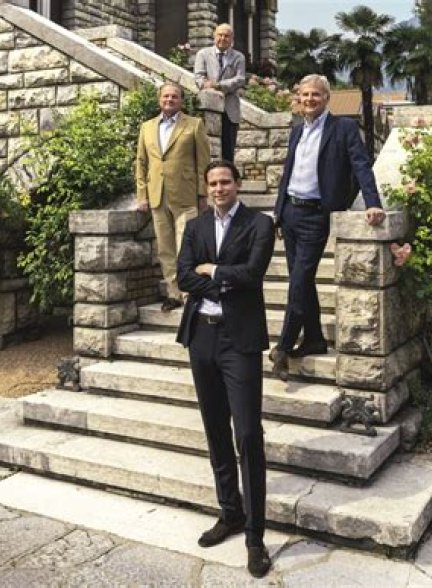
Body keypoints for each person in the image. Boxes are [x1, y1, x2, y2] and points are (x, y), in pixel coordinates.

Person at [176, 160, 275, 578]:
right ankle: (230, 512)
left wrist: (213, 270)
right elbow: (184, 277)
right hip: (202, 337)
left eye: (226, 182)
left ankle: (255, 538)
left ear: (237, 184)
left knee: (248, 434)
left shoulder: (259, 224)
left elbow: (253, 274)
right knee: (215, 429)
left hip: (240, 341)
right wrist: (223, 282)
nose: (219, 188)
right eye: (213, 183)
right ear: (207, 188)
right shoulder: (195, 227)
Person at [269, 74, 386, 381]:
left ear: (326, 98)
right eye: (305, 94)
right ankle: (314, 339)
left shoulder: (342, 128)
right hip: (291, 213)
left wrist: (372, 202)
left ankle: (282, 347)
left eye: (315, 95)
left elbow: (361, 165)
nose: (309, 100)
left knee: (299, 280)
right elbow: (288, 173)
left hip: (316, 216)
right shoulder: (297, 130)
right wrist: (279, 213)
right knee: (302, 281)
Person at [136, 82, 211, 312]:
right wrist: (142, 195)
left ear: (181, 101)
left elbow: (203, 162)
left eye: (174, 96)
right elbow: (141, 163)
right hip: (157, 195)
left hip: (186, 195)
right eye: (166, 96)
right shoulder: (147, 127)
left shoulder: (194, 125)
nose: (169, 100)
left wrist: (203, 194)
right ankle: (174, 293)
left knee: (185, 246)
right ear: (159, 100)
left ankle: (189, 293)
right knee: (165, 248)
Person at [194, 23, 246, 162]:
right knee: (207, 150)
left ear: (232, 38)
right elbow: (199, 77)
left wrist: (217, 85)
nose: (223, 38)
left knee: (228, 153)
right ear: (214, 36)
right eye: (220, 35)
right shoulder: (203, 54)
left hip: (230, 110)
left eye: (227, 36)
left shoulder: (238, 57)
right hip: (208, 107)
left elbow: (240, 79)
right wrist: (205, 85)